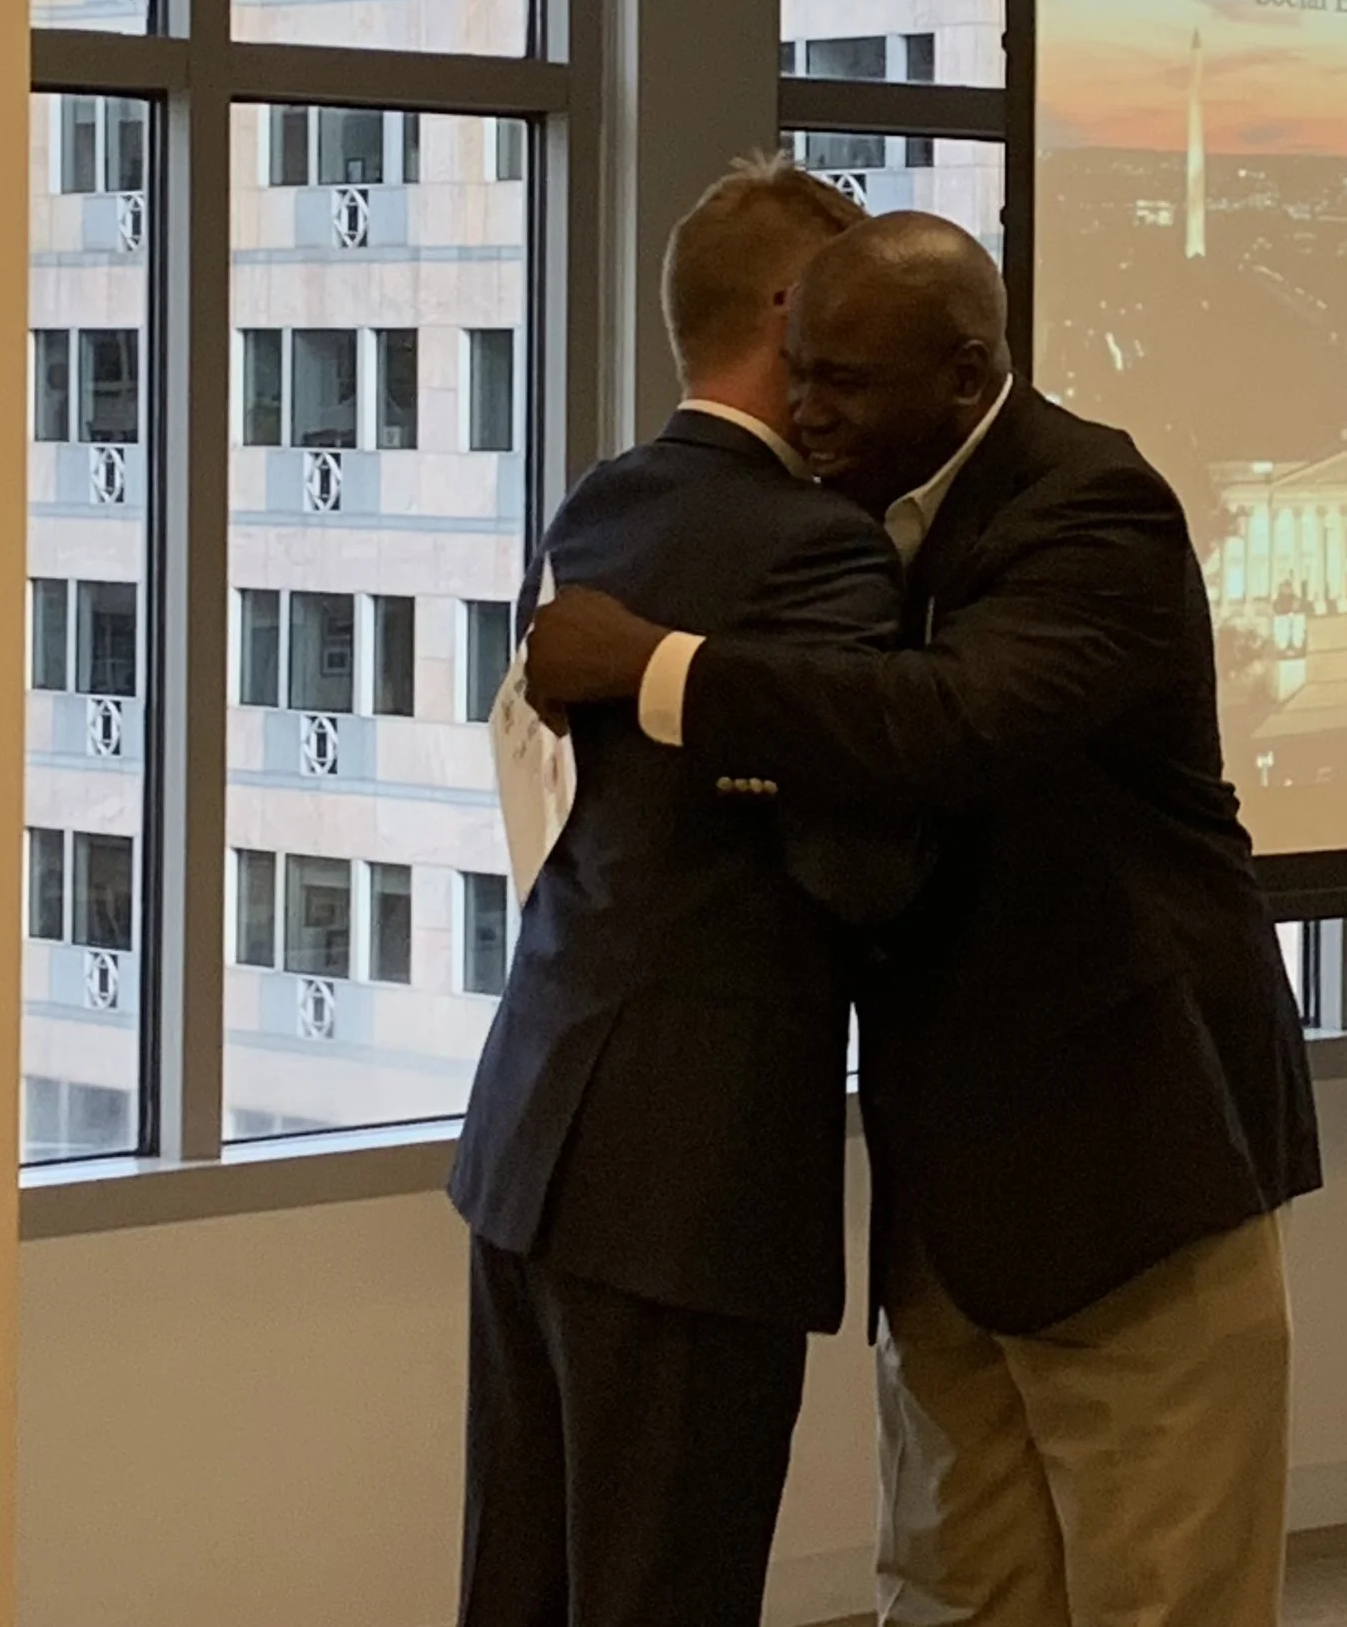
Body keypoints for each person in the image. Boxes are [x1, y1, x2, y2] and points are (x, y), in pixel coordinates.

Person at [525, 211, 1323, 1627]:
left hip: (1128, 1168)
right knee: (953, 1585)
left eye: (848, 384)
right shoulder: (865, 523)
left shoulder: (1091, 505)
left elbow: (950, 725)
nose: (811, 414)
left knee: (1161, 1587)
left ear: (967, 376)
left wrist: (659, 667)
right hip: (952, 1184)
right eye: (803, 372)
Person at [451, 160, 921, 1627]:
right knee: (668, 1588)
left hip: (537, 1137)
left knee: (522, 1583)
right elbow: (868, 849)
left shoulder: (604, 507)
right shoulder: (819, 550)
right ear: (794, 321)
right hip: (693, 1171)